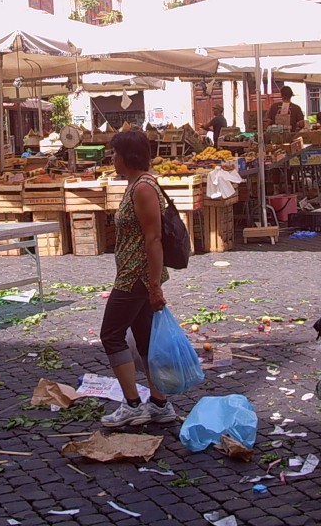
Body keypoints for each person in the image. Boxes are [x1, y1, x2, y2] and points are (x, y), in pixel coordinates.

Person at [98, 130, 176, 428]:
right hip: (135, 274)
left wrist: (154, 286)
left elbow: (153, 239)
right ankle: (159, 403)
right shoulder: (136, 185)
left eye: (115, 152)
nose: (112, 158)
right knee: (144, 340)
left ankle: (132, 404)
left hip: (136, 278)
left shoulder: (143, 187)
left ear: (127, 156)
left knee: (111, 334)